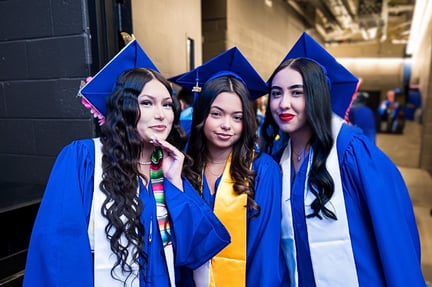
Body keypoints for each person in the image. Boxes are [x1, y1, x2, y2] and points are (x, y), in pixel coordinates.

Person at [23, 39, 230, 287]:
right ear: (124, 108)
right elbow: (57, 252)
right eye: (147, 103)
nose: (161, 114)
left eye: (167, 104)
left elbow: (195, 251)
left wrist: (175, 184)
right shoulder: (85, 159)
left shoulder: (166, 169)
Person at [262, 32, 426, 287]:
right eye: (276, 93)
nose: (283, 104)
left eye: (297, 93)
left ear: (317, 96)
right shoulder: (276, 161)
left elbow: (395, 235)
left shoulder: (352, 151)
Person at [172, 47, 288, 286]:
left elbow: (265, 252)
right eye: (216, 114)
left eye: (237, 117)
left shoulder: (262, 170)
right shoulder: (182, 166)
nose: (227, 125)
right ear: (201, 114)